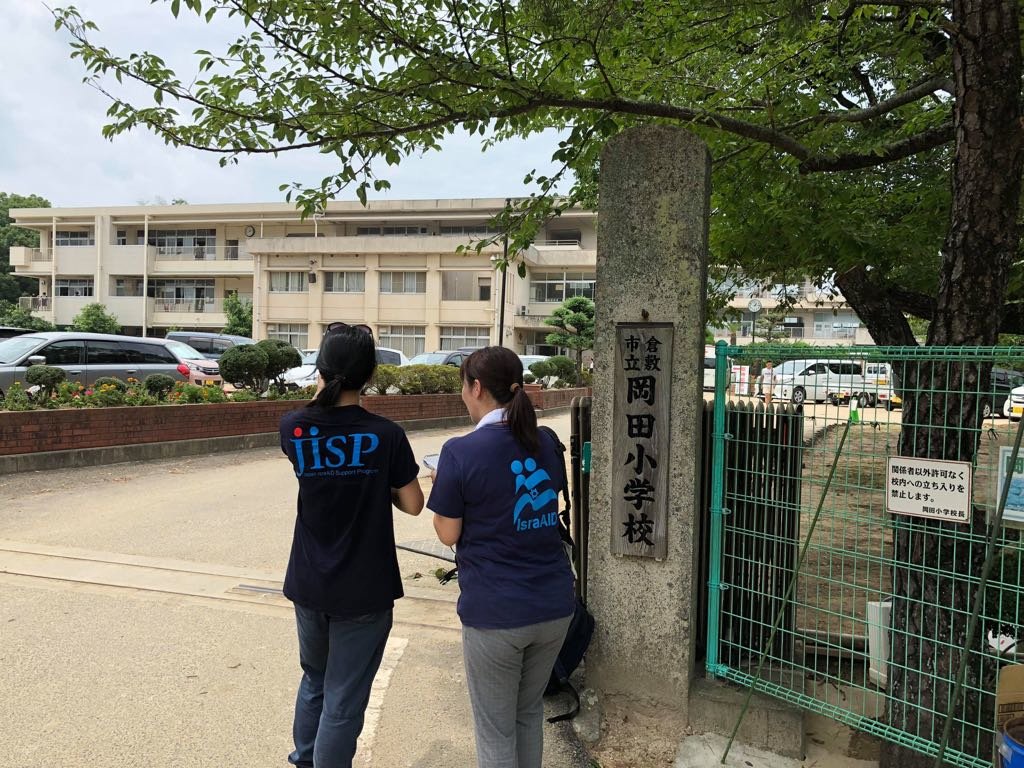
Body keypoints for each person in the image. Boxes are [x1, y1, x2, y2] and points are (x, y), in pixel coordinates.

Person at [279, 322, 424, 768]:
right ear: (370, 376)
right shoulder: (386, 436)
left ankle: (306, 759)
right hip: (365, 586)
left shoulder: (293, 427)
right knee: (344, 697)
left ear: (320, 369)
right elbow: (414, 504)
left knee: (316, 680)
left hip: (309, 581)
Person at [428, 346, 575, 768]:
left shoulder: (460, 452)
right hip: (553, 605)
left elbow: (448, 533)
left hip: (496, 614)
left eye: (463, 387)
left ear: (476, 388)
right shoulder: (545, 441)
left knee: (495, 730)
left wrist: (442, 485)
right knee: (528, 713)